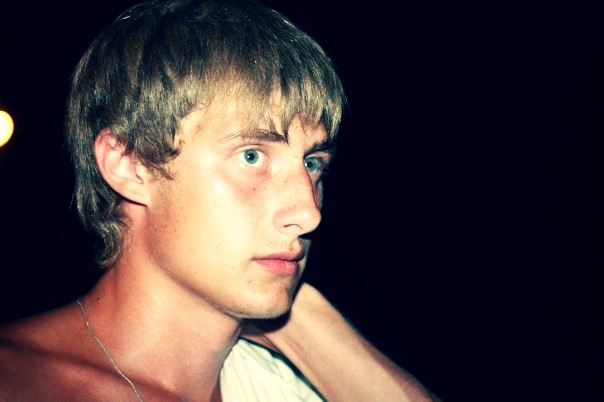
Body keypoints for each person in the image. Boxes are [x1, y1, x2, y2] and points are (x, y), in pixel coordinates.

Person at [0, 0, 440, 400]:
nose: (308, 214)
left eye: (312, 163)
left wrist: (308, 324)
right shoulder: (17, 382)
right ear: (129, 165)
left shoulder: (282, 388)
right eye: (251, 156)